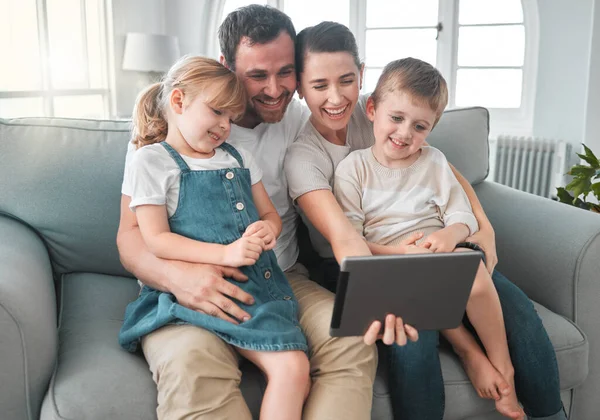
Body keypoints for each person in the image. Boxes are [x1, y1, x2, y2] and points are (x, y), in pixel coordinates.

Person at [117, 6, 408, 420]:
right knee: (193, 367)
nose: (275, 90)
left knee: (351, 337)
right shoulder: (168, 135)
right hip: (184, 283)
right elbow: (130, 237)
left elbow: (410, 143)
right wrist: (179, 278)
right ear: (227, 66)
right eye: (257, 75)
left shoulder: (304, 121)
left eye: (286, 72)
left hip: (281, 277)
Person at [285, 21, 566, 420]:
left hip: (441, 247)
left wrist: (480, 230)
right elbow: (345, 239)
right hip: (364, 261)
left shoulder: (386, 104)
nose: (335, 97)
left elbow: (444, 176)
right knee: (413, 340)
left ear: (361, 78)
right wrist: (396, 270)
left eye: (346, 80)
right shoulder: (310, 157)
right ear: (300, 86)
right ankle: (469, 352)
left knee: (518, 312)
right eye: (318, 85)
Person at [118, 55, 311, 420]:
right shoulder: (151, 162)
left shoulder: (239, 157)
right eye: (217, 112)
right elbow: (156, 239)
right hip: (186, 296)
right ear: (178, 102)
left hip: (257, 290)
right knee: (201, 365)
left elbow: (270, 215)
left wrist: (267, 229)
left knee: (294, 368)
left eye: (230, 117)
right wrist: (226, 254)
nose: (225, 126)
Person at [333, 56, 525, 419]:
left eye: (419, 126)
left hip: (435, 254)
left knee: (477, 277)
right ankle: (474, 356)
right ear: (372, 109)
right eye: (396, 118)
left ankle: (504, 370)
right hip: (388, 265)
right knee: (423, 313)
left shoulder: (434, 161)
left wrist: (450, 235)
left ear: (432, 128)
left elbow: (461, 214)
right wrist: (397, 252)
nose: (405, 134)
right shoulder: (353, 169)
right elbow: (351, 238)